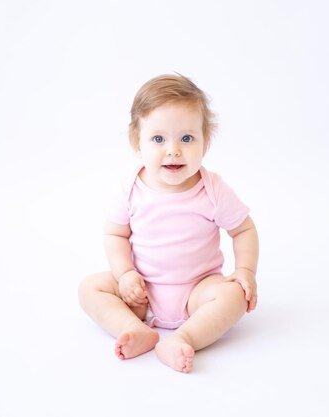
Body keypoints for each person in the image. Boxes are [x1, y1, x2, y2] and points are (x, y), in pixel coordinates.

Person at [78, 73, 259, 373]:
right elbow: (115, 234)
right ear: (138, 143)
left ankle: (184, 337)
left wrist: (245, 271)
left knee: (234, 296)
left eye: (187, 138)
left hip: (197, 294)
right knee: (89, 288)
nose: (173, 150)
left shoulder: (213, 189)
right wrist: (124, 275)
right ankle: (134, 328)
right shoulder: (130, 188)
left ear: (205, 142)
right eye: (158, 139)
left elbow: (243, 229)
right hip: (141, 294)